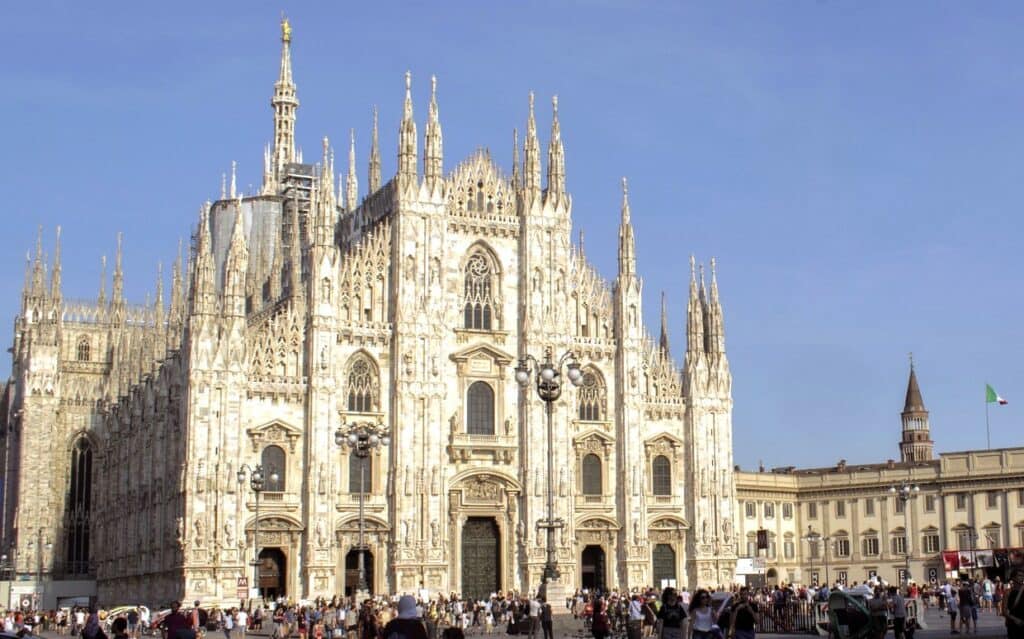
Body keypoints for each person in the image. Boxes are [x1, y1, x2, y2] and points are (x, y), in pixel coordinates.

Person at [1004, 571, 1024, 639]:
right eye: (1019, 576)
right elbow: (1004, 611)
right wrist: (1015, 619)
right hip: (1013, 624)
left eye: (1022, 576)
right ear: (1013, 578)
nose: (1022, 578)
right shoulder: (1008, 592)